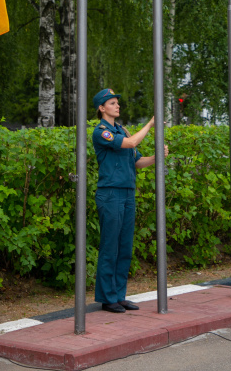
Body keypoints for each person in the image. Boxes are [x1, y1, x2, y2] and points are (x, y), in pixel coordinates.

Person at [92, 87, 168, 314]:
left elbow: (136, 161)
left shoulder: (121, 130)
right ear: (101, 108)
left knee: (124, 246)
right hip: (110, 194)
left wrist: (156, 158)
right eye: (112, 103)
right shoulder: (102, 132)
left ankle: (119, 295)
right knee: (110, 247)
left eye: (117, 102)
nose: (117, 106)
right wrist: (150, 124)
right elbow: (131, 144)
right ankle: (107, 298)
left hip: (126, 193)